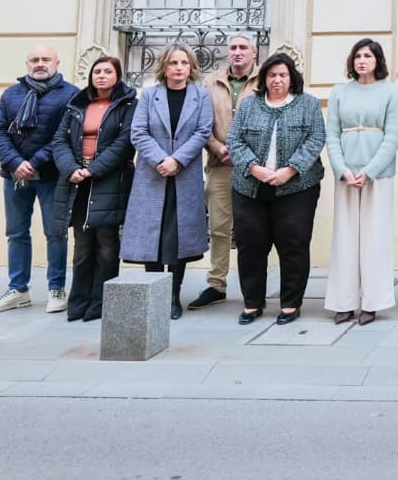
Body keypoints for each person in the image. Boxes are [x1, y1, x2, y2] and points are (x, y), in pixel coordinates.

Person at [227, 51, 326, 326]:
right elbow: (234, 139)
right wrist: (253, 167)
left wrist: (290, 169)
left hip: (297, 188)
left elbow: (316, 138)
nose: (277, 80)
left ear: (292, 77)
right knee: (251, 245)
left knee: (293, 244)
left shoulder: (308, 104)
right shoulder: (249, 104)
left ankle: (290, 303)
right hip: (250, 187)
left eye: (283, 75)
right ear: (264, 78)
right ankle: (252, 303)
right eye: (272, 75)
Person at [0, 44, 76, 314]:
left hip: (51, 176)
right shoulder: (11, 94)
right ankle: (18, 290)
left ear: (57, 63)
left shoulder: (71, 94)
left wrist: (34, 162)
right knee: (16, 233)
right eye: (34, 60)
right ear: (27, 64)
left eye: (46, 59)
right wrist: (15, 163)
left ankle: (56, 288)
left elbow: (65, 136)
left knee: (55, 233)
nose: (40, 63)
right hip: (14, 176)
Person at [124, 43, 214, 319]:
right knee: (152, 237)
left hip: (184, 176)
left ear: (191, 67)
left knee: (178, 238)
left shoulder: (201, 95)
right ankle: (155, 296)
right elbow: (138, 132)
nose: (178, 68)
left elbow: (203, 132)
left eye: (184, 63)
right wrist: (162, 159)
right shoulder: (150, 95)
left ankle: (174, 296)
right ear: (164, 66)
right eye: (173, 63)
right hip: (153, 175)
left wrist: (177, 160)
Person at [48, 55, 135, 322]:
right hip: (76, 180)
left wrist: (93, 169)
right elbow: (59, 140)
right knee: (83, 245)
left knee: (107, 244)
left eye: (108, 71)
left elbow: (125, 143)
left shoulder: (127, 104)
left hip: (109, 180)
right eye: (97, 71)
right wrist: (70, 168)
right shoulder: (76, 104)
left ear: (117, 76)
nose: (102, 76)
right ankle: (78, 302)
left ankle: (101, 302)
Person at [325, 39, 398, 326]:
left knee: (375, 238)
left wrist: (369, 171)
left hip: (377, 175)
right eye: (358, 55)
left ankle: (373, 302)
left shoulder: (392, 91)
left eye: (368, 56)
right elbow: (332, 135)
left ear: (377, 60)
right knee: (344, 239)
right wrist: (342, 169)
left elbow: (392, 137)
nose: (362, 60)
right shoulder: (339, 92)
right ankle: (343, 302)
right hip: (346, 174)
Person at [189, 34, 259, 311]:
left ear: (254, 52)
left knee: (253, 230)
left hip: (254, 168)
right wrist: (218, 148)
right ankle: (216, 284)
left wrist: (245, 154)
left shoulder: (264, 79)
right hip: (220, 165)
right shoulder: (210, 81)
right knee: (218, 228)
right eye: (233, 48)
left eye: (243, 47)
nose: (237, 52)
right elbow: (201, 123)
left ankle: (253, 287)